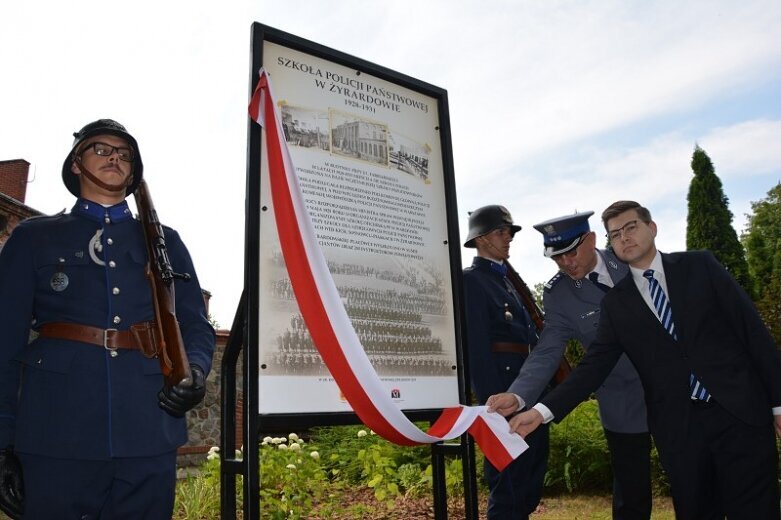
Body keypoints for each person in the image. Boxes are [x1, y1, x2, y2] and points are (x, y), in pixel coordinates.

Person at [505, 200, 781, 519]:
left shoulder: (699, 266)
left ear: (651, 228)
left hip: (739, 414)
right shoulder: (617, 305)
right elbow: (592, 366)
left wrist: (777, 403)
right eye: (616, 234)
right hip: (680, 428)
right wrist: (540, 412)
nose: (624, 237)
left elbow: (752, 332)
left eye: (631, 227)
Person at [0, 119, 215, 519]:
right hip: (55, 429)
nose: (114, 156)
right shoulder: (35, 236)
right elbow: (4, 342)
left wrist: (197, 372)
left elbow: (194, 323)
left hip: (149, 426)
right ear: (76, 164)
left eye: (124, 153)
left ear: (134, 173)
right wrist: (2, 443)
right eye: (100, 149)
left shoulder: (165, 241)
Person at [486, 211, 652, 520]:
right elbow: (547, 351)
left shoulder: (631, 260)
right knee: (632, 494)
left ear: (591, 240)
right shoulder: (559, 294)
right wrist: (519, 396)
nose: (566, 263)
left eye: (571, 252)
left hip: (671, 388)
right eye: (557, 258)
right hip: (621, 399)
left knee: (692, 476)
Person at [462, 205, 549, 519]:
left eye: (509, 231)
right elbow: (477, 351)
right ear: (482, 239)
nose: (508, 237)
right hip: (502, 398)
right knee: (508, 486)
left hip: (528, 397)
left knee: (529, 484)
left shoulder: (510, 283)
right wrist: (493, 408)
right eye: (502, 231)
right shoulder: (472, 281)